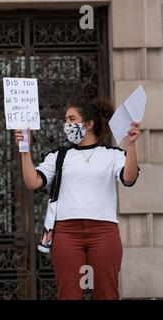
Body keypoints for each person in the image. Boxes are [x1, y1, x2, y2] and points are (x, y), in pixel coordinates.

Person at [15, 98, 140, 300]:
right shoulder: (59, 156)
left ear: (89, 124)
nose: (67, 124)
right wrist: (25, 149)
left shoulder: (113, 154)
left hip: (104, 231)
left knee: (107, 293)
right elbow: (33, 182)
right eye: (66, 119)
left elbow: (129, 177)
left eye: (72, 119)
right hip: (66, 232)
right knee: (68, 293)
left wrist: (131, 146)